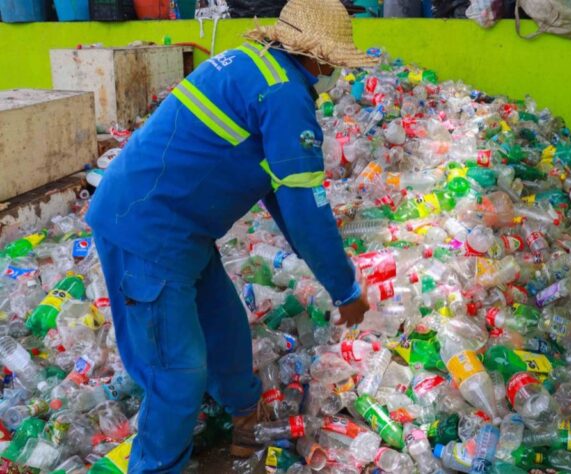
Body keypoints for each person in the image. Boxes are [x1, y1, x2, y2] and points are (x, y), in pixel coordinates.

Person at [85, 0, 375, 471]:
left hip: (180, 228)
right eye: (334, 64)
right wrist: (345, 289)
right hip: (148, 233)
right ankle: (157, 465)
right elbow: (305, 207)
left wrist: (330, 272)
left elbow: (282, 198)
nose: (333, 75)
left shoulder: (254, 66)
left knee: (224, 329)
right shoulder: (284, 94)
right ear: (316, 57)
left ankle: (247, 420)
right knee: (177, 376)